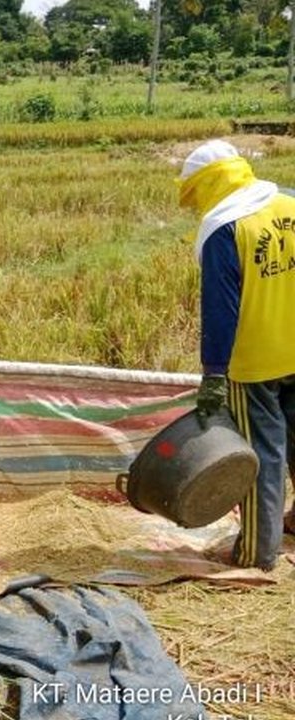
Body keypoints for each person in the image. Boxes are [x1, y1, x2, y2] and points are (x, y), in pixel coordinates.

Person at [177, 139, 295, 571]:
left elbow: (221, 310)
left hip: (255, 363)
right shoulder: (289, 203)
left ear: (208, 185)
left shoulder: (225, 227)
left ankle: (257, 553)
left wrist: (213, 374)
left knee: (262, 457)